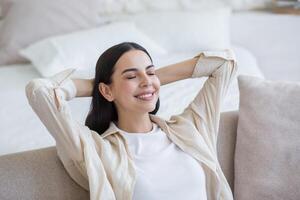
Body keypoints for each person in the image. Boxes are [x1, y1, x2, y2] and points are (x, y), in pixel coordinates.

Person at [26, 42, 237, 200]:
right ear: (106, 90)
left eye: (151, 71)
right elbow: (40, 91)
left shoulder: (190, 128)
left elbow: (224, 65)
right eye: (130, 76)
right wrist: (103, 88)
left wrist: (149, 82)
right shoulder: (96, 150)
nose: (146, 80)